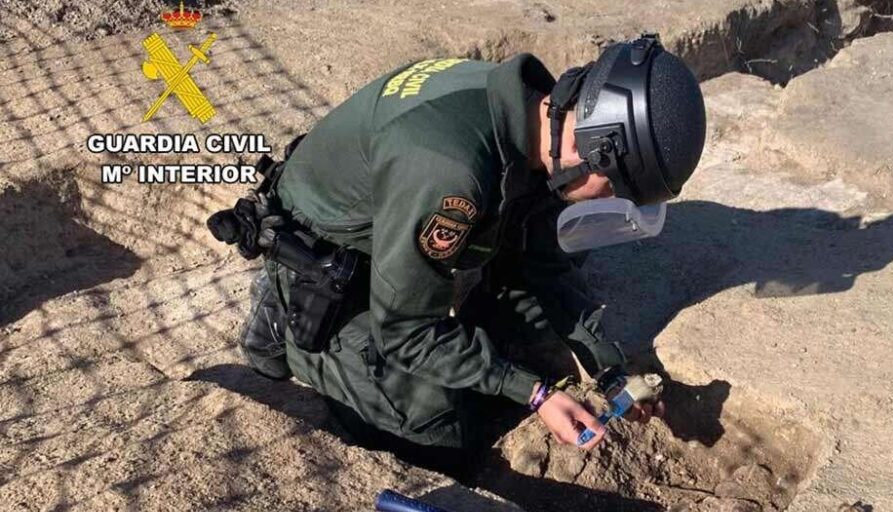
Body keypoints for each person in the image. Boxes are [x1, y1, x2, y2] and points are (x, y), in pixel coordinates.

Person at [237, 34, 706, 476]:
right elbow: (404, 332)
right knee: (438, 432)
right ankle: (286, 327)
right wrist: (535, 394)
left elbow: (538, 260)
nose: (607, 202)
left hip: (397, 221)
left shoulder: (535, 117)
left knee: (530, 324)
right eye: (613, 190)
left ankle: (463, 349)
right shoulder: (451, 174)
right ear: (591, 146)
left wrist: (608, 367)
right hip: (330, 262)